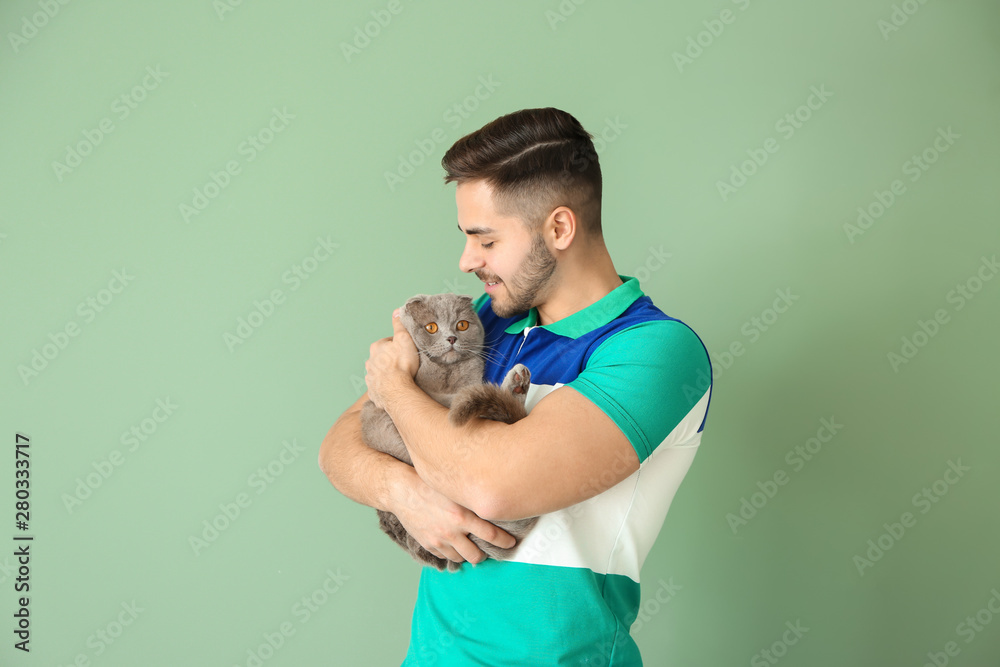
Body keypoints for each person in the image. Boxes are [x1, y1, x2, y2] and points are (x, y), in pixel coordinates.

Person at [318, 107, 713, 666]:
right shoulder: (483, 321)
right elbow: (338, 444)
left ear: (558, 228)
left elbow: (492, 487)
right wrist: (400, 492)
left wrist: (393, 384)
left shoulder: (653, 351)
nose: (465, 261)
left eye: (485, 240)